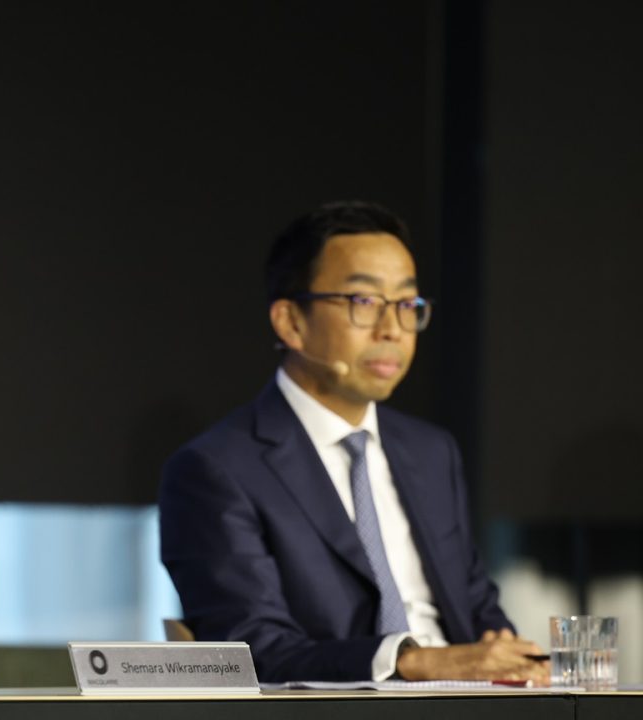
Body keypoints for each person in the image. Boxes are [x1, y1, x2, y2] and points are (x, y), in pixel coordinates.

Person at [159, 201, 547, 683]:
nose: (392, 329)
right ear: (290, 322)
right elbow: (251, 649)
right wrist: (412, 661)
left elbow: (478, 609)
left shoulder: (431, 451)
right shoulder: (215, 469)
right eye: (363, 302)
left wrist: (516, 661)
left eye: (407, 305)